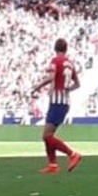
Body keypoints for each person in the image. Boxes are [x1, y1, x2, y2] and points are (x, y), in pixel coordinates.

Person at [30, 37, 83, 174]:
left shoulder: (56, 61)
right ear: (65, 49)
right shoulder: (70, 64)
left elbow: (51, 77)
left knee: (47, 136)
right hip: (64, 101)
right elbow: (77, 84)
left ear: (55, 48)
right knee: (48, 135)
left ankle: (72, 154)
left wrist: (37, 87)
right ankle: (53, 165)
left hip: (57, 102)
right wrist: (67, 90)